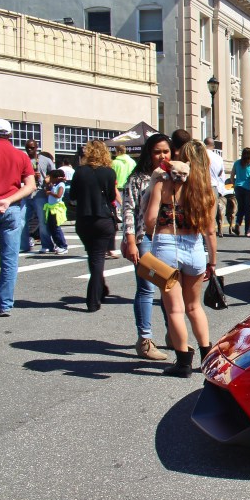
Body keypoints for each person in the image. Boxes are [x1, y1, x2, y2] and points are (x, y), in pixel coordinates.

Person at [144, 140, 218, 377]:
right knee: (194, 306)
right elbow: (210, 231)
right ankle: (207, 355)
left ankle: (183, 363)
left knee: (174, 310)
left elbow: (149, 222)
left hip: (167, 246)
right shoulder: (206, 190)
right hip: (195, 248)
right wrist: (212, 262)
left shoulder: (164, 184)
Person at [121, 133, 172, 361]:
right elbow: (128, 210)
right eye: (157, 151)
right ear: (149, 153)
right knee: (146, 288)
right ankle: (145, 340)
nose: (162, 155)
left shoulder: (173, 176)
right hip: (145, 239)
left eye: (165, 151)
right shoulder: (138, 179)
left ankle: (173, 333)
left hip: (168, 239)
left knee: (168, 287)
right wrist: (130, 240)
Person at [68, 140, 120, 312]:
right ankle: (93, 299)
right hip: (103, 218)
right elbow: (112, 196)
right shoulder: (109, 173)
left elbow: (73, 195)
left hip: (84, 219)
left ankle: (100, 290)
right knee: (97, 260)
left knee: (94, 258)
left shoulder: (80, 172)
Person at [0, 118, 37, 317]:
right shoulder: (20, 156)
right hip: (11, 208)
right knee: (9, 259)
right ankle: (4, 304)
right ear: (10, 135)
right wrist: (8, 199)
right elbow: (31, 186)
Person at [20, 139, 56, 254]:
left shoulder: (45, 160)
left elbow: (55, 175)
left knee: (42, 221)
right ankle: (24, 245)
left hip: (40, 193)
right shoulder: (22, 159)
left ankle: (47, 245)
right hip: (26, 193)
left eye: (32, 148)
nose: (29, 150)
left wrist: (47, 180)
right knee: (21, 220)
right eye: (27, 148)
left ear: (36, 148)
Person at [203, 138, 227, 237]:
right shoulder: (218, 158)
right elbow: (221, 174)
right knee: (212, 216)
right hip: (213, 187)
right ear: (213, 146)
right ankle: (210, 239)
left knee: (201, 214)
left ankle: (202, 237)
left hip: (200, 187)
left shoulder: (200, 156)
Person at [43, 169, 69, 255]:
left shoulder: (61, 184)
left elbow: (59, 195)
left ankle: (63, 246)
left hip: (56, 209)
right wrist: (47, 184)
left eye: (51, 177)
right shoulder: (54, 184)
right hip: (51, 208)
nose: (50, 179)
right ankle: (58, 245)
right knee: (51, 227)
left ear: (56, 178)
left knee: (56, 228)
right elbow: (46, 189)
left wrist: (50, 193)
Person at [231, 147, 250, 237]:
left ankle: (237, 223)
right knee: (248, 209)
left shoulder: (237, 163)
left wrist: (235, 184)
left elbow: (232, 175)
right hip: (248, 188)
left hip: (238, 187)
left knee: (240, 207)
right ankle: (247, 230)